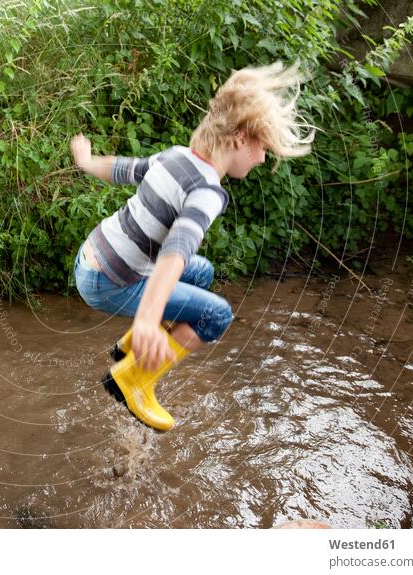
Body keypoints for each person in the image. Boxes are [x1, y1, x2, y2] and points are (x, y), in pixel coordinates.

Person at [71, 62, 315, 431]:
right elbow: (175, 251)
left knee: (202, 272)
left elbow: (125, 168)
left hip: (90, 258)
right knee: (216, 316)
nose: (263, 158)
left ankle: (128, 347)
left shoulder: (176, 155)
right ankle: (134, 378)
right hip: (108, 282)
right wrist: (149, 320)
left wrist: (87, 162)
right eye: (261, 146)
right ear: (238, 139)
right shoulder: (206, 191)